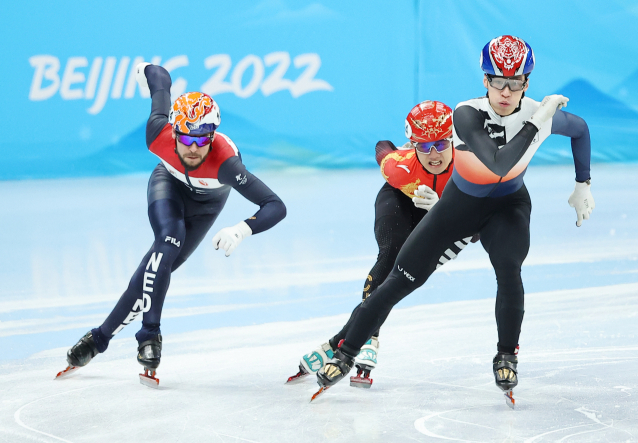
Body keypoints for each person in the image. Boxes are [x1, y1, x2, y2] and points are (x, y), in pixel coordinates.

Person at [312, 35, 594, 405]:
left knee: (509, 270)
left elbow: (580, 130)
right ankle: (346, 353)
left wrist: (582, 183)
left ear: (527, 83)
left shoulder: (539, 114)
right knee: (400, 277)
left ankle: (506, 354)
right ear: (484, 80)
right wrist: (538, 122)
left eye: (514, 83)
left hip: (507, 207)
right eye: (497, 80)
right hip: (459, 206)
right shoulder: (466, 113)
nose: (505, 92)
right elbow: (498, 163)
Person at [58, 63, 286, 386]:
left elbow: (276, 205)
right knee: (169, 239)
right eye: (187, 139)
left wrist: (242, 228)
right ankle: (149, 335)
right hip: (168, 183)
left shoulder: (225, 163)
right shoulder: (157, 134)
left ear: (213, 136)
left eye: (203, 139)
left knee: (154, 272)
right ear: (174, 132)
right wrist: (146, 69)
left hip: (207, 205)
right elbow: (160, 81)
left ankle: (99, 338)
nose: (194, 149)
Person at [289, 100, 467, 388]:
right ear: (412, 145)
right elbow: (382, 146)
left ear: (453, 141)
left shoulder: (469, 168)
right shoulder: (399, 168)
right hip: (399, 198)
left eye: (440, 144)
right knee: (391, 257)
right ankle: (370, 336)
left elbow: (479, 228)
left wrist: (446, 210)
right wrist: (403, 152)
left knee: (404, 280)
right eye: (423, 146)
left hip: (448, 220)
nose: (433, 154)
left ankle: (337, 342)